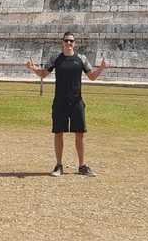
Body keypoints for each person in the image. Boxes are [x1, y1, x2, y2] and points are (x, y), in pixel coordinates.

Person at [26, 31, 108, 177]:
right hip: (60, 102)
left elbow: (92, 77)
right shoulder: (56, 58)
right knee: (58, 133)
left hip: (77, 102)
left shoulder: (81, 59)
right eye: (66, 41)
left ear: (74, 43)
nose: (69, 43)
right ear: (62, 42)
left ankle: (82, 166)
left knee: (80, 134)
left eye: (71, 41)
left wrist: (101, 68)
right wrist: (32, 69)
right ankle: (59, 166)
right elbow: (44, 74)